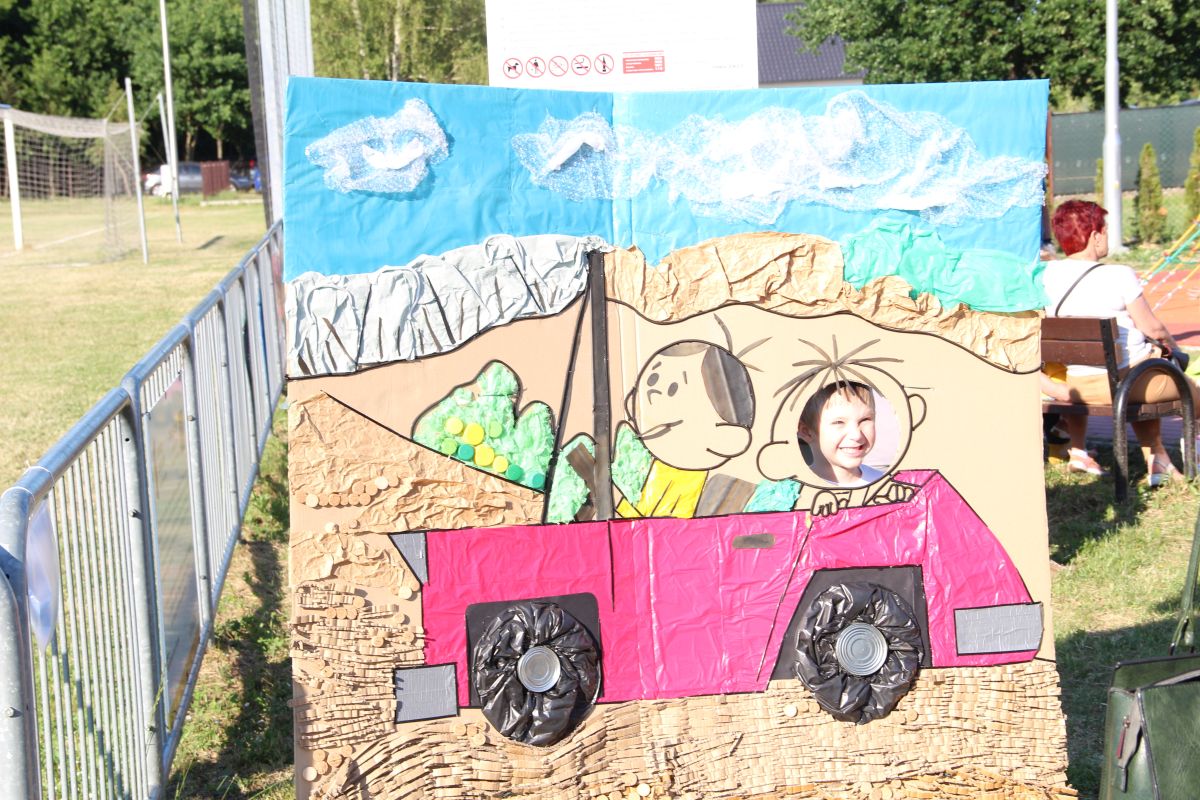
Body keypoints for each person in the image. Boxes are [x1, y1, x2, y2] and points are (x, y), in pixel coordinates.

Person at [1042, 199, 1200, 485]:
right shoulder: (1118, 274)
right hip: (1125, 384)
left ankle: (1159, 460)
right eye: (1104, 230)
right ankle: (1186, 450)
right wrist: (1174, 348)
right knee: (1186, 388)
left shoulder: (1046, 275)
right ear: (1095, 235)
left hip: (1079, 386)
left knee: (1144, 370)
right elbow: (1152, 327)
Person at [615, 340, 755, 518]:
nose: (654, 395)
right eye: (652, 379)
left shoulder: (727, 493)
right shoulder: (628, 453)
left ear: (727, 438)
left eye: (673, 389)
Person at [796, 380, 883, 487]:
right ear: (806, 432)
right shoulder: (793, 491)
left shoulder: (885, 483)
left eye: (865, 419)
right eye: (839, 422)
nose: (857, 435)